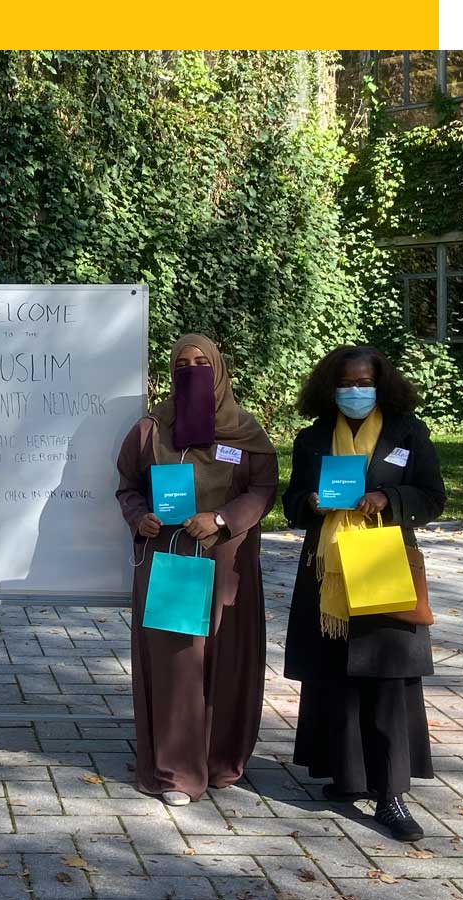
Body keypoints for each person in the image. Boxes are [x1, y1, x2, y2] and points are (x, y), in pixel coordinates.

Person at [283, 345, 445, 841]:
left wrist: (387, 498)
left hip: (382, 563)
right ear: (330, 388)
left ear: (381, 384)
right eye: (345, 383)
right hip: (326, 569)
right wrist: (309, 501)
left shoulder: (407, 432)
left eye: (364, 382)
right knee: (336, 673)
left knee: (386, 675)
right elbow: (291, 503)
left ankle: (390, 794)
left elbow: (433, 496)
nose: (355, 391)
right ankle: (346, 775)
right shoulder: (312, 439)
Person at [115, 334, 278, 806]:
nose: (192, 370)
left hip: (227, 562)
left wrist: (223, 519)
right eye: (182, 363)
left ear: (219, 368)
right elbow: (127, 486)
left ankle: (221, 760)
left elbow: (264, 488)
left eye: (201, 362)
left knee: (228, 660)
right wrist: (137, 516)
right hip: (170, 562)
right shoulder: (151, 429)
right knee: (176, 666)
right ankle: (176, 773)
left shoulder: (244, 430)